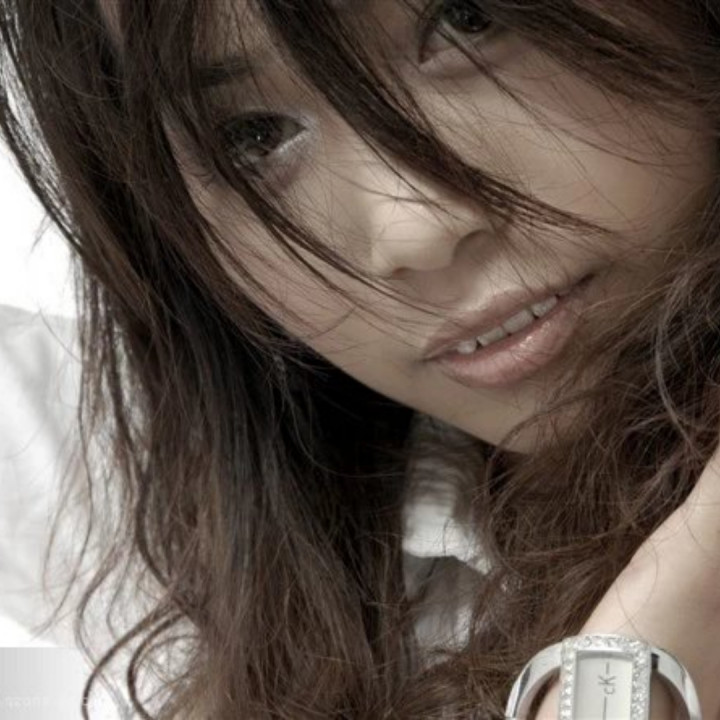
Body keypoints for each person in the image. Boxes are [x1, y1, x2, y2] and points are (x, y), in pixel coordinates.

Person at [1, 0, 720, 717]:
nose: (414, 228)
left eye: (468, 20)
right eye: (254, 135)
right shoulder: (188, 505)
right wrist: (630, 678)